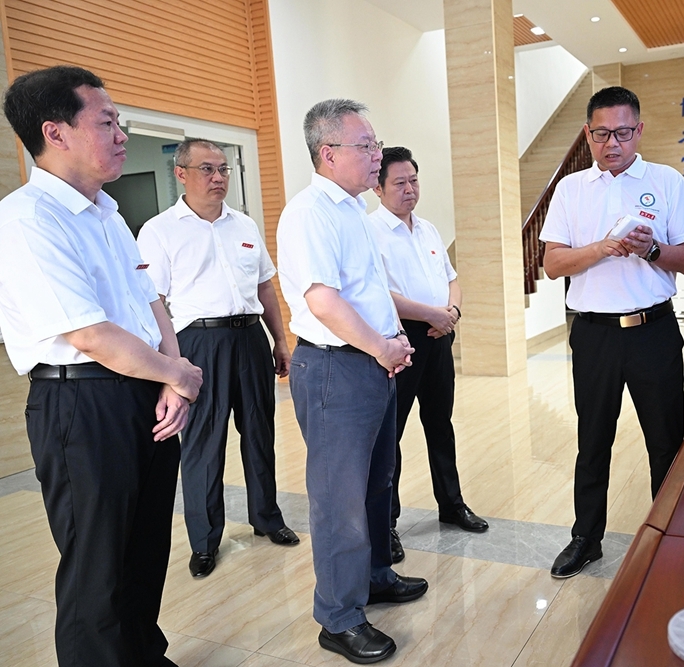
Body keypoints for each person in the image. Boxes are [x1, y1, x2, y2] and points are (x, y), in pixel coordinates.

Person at [0, 66, 203, 666]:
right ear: (55, 132)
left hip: (142, 391)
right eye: (107, 121)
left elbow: (149, 301)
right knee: (98, 565)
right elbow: (89, 333)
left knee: (143, 548)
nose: (122, 134)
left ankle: (141, 654)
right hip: (81, 404)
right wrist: (176, 374)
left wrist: (171, 373)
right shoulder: (28, 219)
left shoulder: (108, 214)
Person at [277, 99, 428, 664]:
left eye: (376, 143)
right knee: (339, 499)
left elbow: (367, 292)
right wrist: (381, 346)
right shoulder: (310, 213)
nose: (377, 154)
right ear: (328, 153)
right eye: (366, 145)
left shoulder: (352, 211)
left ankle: (374, 576)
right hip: (335, 370)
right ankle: (338, 618)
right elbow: (323, 301)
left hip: (371, 364)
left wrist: (393, 340)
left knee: (377, 482)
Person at [539, 86, 684, 579]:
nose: (612, 143)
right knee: (593, 441)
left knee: (665, 442)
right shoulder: (571, 189)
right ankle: (585, 538)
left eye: (623, 132)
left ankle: (668, 536)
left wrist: (651, 250)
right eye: (601, 134)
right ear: (588, 134)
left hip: (653, 331)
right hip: (594, 335)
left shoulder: (666, 180)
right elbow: (552, 264)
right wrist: (602, 248)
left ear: (639, 130)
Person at [136, 139, 298, 580]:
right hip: (198, 344)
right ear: (181, 174)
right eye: (206, 169)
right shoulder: (159, 231)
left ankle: (266, 517)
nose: (218, 177)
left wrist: (280, 341)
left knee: (260, 433)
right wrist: (168, 369)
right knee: (204, 444)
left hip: (250, 338)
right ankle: (205, 540)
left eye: (223, 168)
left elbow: (264, 287)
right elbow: (153, 302)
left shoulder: (244, 224)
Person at [369, 146, 488, 564]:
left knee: (440, 424)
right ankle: (387, 522)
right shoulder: (371, 232)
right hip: (401, 342)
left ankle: (451, 504)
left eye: (414, 180)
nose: (409, 189)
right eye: (399, 182)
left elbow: (452, 279)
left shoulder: (428, 229)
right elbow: (379, 294)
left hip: (440, 336)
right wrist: (431, 315)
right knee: (391, 436)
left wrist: (451, 312)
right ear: (378, 188)